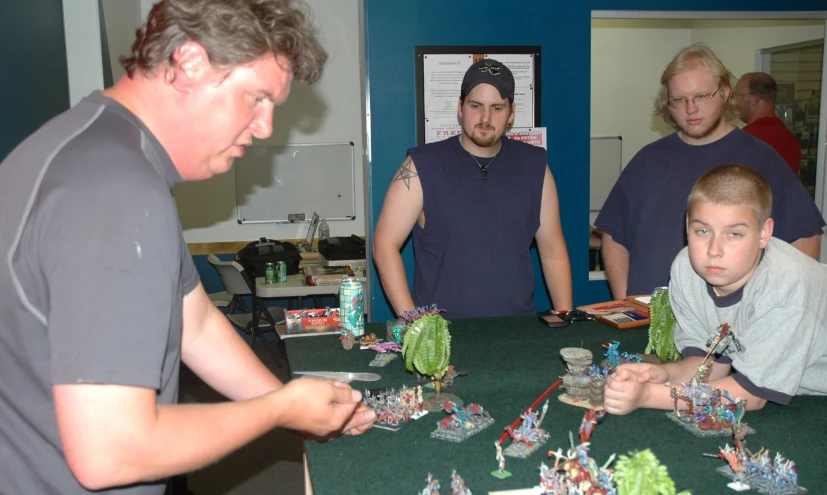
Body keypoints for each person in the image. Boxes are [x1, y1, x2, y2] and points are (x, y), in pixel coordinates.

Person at [0, 1, 374, 493]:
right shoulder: (117, 191)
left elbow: (193, 323)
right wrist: (279, 409)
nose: (266, 128)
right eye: (256, 99)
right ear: (191, 63)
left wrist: (294, 407)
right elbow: (111, 449)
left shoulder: (92, 149)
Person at [595, 43, 823, 300]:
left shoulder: (761, 159)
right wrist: (625, 300)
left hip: (732, 327)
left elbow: (805, 240)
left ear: (725, 93)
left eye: (702, 96)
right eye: (679, 100)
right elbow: (615, 237)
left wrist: (776, 307)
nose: (691, 109)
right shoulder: (647, 160)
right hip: (649, 322)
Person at [604, 164, 827, 415]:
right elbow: (710, 364)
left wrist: (650, 395)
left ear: (764, 233)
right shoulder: (686, 269)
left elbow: (752, 395)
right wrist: (662, 374)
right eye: (702, 231)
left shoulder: (785, 288)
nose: (714, 250)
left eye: (734, 234)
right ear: (687, 225)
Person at [372, 58, 572, 319]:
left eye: (497, 108)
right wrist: (415, 323)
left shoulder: (535, 167)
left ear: (511, 113)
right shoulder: (422, 166)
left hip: (518, 333)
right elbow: (384, 245)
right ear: (460, 107)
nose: (485, 118)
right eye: (475, 105)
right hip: (443, 337)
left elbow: (553, 253)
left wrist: (567, 317)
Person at [735, 72, 802, 175]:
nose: (735, 102)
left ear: (755, 99)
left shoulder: (748, 137)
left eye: (739, 96)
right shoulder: (790, 139)